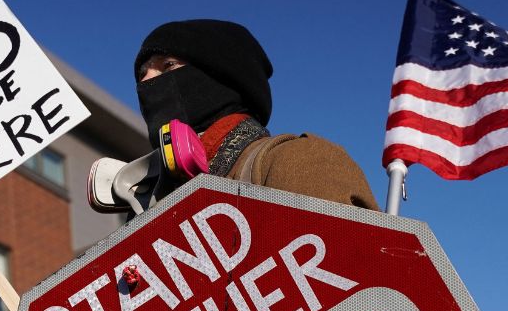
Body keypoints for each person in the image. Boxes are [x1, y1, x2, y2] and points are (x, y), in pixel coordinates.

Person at [133, 19, 378, 210]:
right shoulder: (155, 202)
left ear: (220, 77)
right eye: (142, 74)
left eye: (168, 66)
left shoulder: (295, 159)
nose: (146, 82)